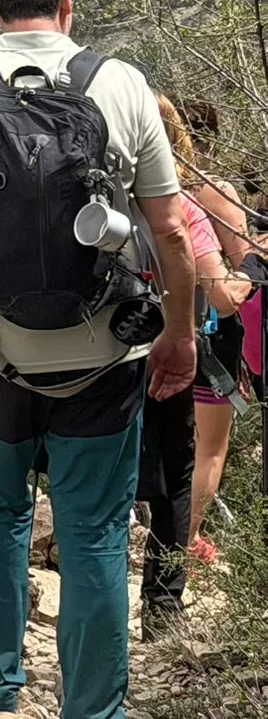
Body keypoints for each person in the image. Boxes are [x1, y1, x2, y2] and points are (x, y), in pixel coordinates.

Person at [0, 0, 198, 719]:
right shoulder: (123, 86)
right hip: (106, 354)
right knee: (96, 530)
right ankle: (94, 709)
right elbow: (171, 231)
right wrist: (179, 332)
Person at [138, 95, 255, 628]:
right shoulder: (202, 196)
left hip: (121, 346)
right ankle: (174, 566)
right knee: (199, 455)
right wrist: (251, 266)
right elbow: (225, 286)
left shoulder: (114, 192)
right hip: (203, 343)